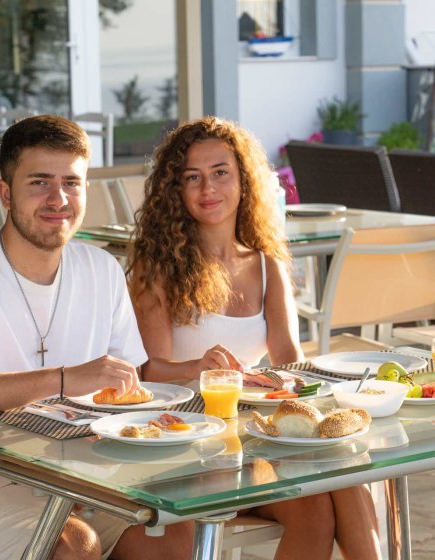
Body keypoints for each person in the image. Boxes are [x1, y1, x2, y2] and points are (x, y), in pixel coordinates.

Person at [0, 115, 193, 560]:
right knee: (73, 545)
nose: (59, 199)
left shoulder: (102, 270)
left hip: (78, 473)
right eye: (39, 182)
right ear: (5, 194)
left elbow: (129, 390)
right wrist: (62, 379)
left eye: (71, 183)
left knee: (174, 535)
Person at [127, 116, 382, 560]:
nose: (208, 188)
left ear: (244, 181)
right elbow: (148, 371)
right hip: (186, 442)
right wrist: (200, 368)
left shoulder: (266, 263)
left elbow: (290, 363)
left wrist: (294, 386)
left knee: (338, 482)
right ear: (175, 189)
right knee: (337, 480)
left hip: (255, 437)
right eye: (192, 177)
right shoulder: (159, 267)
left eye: (220, 173)